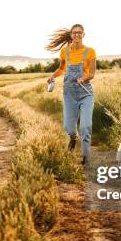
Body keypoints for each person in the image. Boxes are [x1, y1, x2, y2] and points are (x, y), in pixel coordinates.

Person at [46, 24, 96, 165]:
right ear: (71, 35)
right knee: (69, 127)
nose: (77, 35)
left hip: (86, 93)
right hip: (69, 94)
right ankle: (73, 138)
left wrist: (84, 78)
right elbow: (62, 69)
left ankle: (86, 158)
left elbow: (91, 73)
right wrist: (52, 76)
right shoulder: (64, 52)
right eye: (74, 33)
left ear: (83, 34)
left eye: (79, 33)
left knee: (85, 127)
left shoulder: (90, 52)